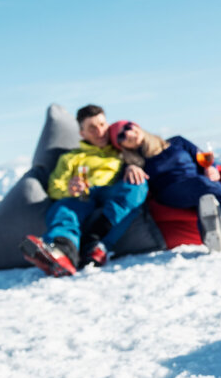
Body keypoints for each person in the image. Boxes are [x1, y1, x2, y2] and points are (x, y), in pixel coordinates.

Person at [20, 104, 150, 276]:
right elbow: (54, 188)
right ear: (82, 133)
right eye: (92, 128)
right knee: (64, 208)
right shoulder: (71, 158)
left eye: (102, 125)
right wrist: (69, 189)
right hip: (83, 196)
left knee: (137, 186)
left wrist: (133, 166)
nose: (100, 131)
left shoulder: (120, 150)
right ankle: (62, 252)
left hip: (113, 190)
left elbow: (146, 155)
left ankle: (98, 244)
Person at [108, 120, 221, 252]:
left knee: (206, 201)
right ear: (121, 146)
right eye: (121, 136)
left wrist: (210, 168)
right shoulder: (135, 162)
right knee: (201, 185)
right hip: (170, 192)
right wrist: (130, 167)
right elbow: (125, 181)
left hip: (199, 184)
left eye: (128, 127)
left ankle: (218, 233)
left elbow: (202, 156)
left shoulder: (177, 141)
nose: (128, 134)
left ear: (136, 126)